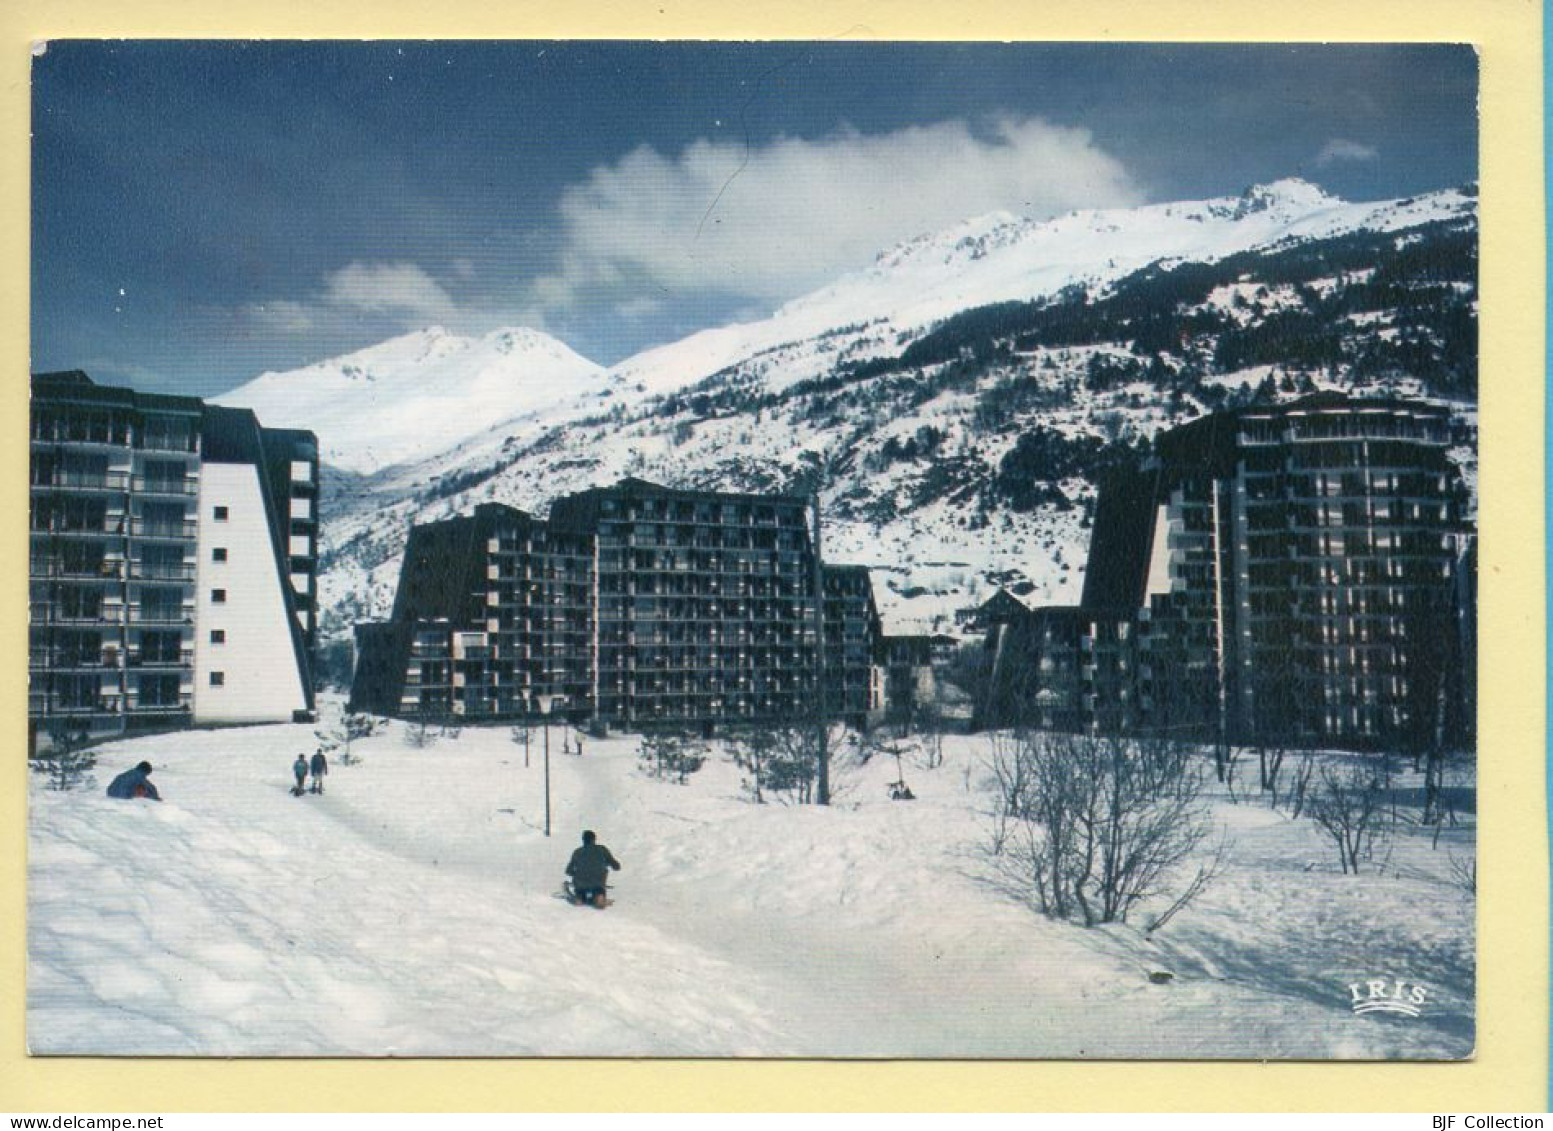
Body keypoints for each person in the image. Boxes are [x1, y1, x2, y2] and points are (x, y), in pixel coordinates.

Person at [565, 829, 621, 907]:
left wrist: (576, 873)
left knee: (580, 889)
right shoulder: (602, 849)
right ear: (594, 839)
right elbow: (616, 866)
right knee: (598, 888)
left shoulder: (577, 852)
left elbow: (568, 871)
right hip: (598, 881)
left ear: (583, 840)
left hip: (581, 882)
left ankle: (580, 898)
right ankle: (599, 896)